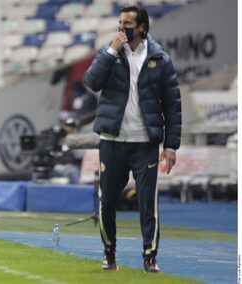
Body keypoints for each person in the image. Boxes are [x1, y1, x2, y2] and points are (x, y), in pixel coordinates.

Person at [83, 4, 181, 273]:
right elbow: (91, 81)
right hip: (112, 141)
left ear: (141, 28)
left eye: (127, 24)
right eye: (120, 22)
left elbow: (173, 104)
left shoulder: (160, 58)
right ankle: (109, 252)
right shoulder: (110, 53)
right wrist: (111, 50)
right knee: (107, 201)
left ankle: (150, 255)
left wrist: (171, 145)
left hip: (145, 142)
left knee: (148, 201)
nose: (121, 28)